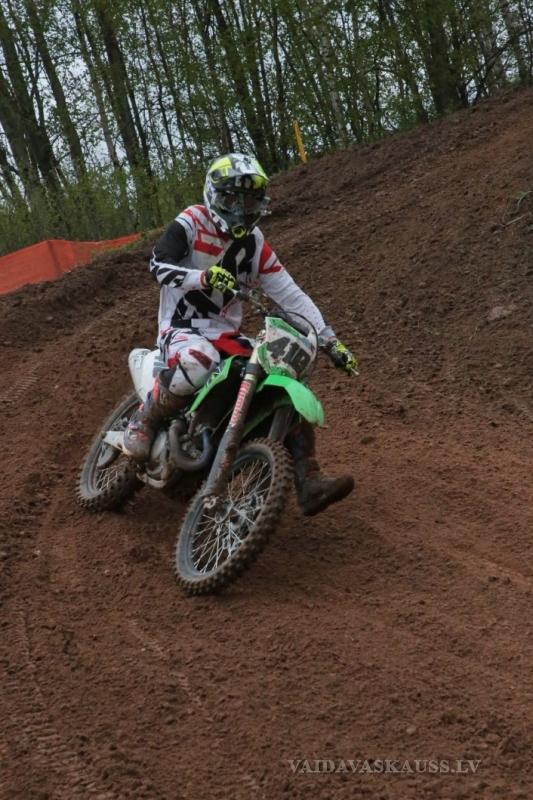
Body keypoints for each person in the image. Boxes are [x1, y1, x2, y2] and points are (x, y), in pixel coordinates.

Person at [124, 152, 358, 516]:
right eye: (232, 199)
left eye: (248, 201)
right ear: (214, 194)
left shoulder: (254, 243)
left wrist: (330, 340)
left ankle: (308, 478)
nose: (239, 209)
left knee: (280, 372)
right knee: (199, 361)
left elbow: (290, 294)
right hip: (181, 327)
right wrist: (202, 277)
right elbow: (158, 264)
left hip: (224, 335)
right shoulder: (193, 221)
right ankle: (145, 418)